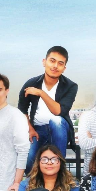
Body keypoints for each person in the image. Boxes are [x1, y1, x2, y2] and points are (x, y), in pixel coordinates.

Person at [18, 46, 78, 174]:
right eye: (52, 61)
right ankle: (34, 184)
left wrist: (41, 93)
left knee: (56, 121)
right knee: (28, 161)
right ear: (44, 62)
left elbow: (59, 111)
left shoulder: (70, 86)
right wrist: (30, 128)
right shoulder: (31, 83)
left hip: (59, 129)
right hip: (37, 129)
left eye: (60, 63)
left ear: (64, 68)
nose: (55, 66)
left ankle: (60, 174)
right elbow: (22, 109)